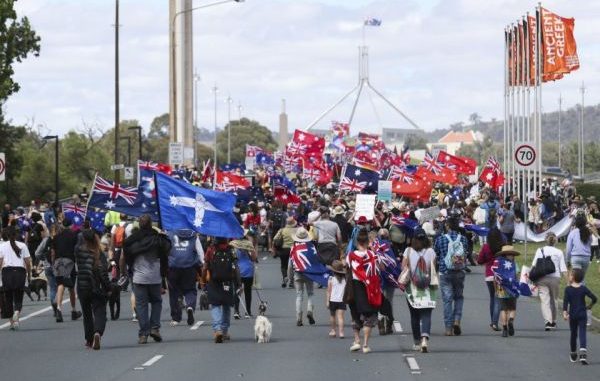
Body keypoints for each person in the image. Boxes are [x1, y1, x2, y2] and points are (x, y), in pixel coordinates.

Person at [122, 214, 171, 344]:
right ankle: (155, 328)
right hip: (155, 277)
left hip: (139, 277)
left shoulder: (133, 240)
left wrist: (128, 270)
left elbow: (126, 254)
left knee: (141, 305)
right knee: (156, 302)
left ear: (139, 224)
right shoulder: (157, 240)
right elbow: (167, 251)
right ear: (150, 225)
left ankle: (143, 334)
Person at [401, 228, 437, 353]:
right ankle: (424, 339)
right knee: (427, 314)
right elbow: (434, 268)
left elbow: (404, 267)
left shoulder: (408, 250)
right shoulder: (431, 251)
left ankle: (416, 341)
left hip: (412, 286)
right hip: (428, 286)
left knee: (414, 315)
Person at [433, 212, 468, 336]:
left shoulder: (441, 239)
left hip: (445, 271)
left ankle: (448, 328)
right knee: (458, 297)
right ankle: (457, 320)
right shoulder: (463, 239)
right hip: (459, 271)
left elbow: (436, 253)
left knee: (447, 300)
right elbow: (466, 253)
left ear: (447, 226)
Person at [347, 229, 382, 354]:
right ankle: (366, 344)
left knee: (355, 315)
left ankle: (356, 341)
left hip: (355, 288)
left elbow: (348, 269)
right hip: (370, 288)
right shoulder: (373, 255)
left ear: (357, 242)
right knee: (369, 316)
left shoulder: (351, 256)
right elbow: (380, 268)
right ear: (368, 242)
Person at [75, 229, 110, 349]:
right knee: (100, 311)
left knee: (87, 314)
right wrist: (108, 287)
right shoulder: (99, 253)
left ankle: (89, 340)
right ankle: (97, 332)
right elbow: (103, 272)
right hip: (96, 286)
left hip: (82, 285)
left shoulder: (78, 251)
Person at [202, 237, 241, 343]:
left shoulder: (211, 249)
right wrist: (239, 283)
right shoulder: (231, 249)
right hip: (227, 282)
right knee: (226, 306)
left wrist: (203, 281)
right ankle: (224, 331)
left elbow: (205, 266)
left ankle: (217, 329)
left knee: (215, 305)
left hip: (214, 282)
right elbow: (236, 267)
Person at [531, 232, 567, 331]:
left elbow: (534, 265)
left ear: (546, 240)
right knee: (554, 300)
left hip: (542, 278)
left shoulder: (540, 250)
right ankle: (553, 321)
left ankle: (547, 321)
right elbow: (563, 269)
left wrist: (530, 277)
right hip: (555, 278)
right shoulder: (559, 252)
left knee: (544, 300)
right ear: (555, 241)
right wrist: (568, 282)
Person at [166, 229, 203, 326]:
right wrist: (203, 265)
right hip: (189, 266)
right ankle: (190, 306)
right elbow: (200, 252)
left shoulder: (169, 233)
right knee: (190, 289)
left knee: (174, 292)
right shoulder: (194, 235)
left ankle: (176, 318)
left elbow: (165, 250)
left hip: (173, 266)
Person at [0, 226, 32, 330]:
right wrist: (29, 274)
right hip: (20, 272)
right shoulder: (22, 245)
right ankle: (17, 313)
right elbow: (28, 262)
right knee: (18, 296)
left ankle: (11, 323)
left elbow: (0, 262)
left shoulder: (2, 246)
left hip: (7, 272)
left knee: (8, 298)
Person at [563, 268, 597, 365]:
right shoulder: (583, 288)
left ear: (573, 278)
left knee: (573, 334)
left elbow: (565, 302)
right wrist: (589, 306)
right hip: (582, 313)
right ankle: (583, 354)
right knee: (582, 333)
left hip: (573, 314)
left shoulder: (568, 289)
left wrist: (565, 312)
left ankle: (573, 353)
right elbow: (594, 298)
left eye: (570, 275)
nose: (569, 276)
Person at [51, 218, 82, 323]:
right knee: (71, 286)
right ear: (71, 225)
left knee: (60, 284)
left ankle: (59, 309)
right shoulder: (74, 236)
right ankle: (73, 310)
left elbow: (53, 252)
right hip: (69, 261)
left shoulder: (56, 237)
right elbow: (77, 250)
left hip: (58, 261)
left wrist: (53, 263)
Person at [476, 227, 504, 331]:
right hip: (500, 274)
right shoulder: (502, 246)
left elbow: (479, 261)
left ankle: (493, 321)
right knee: (498, 298)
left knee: (492, 298)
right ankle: (495, 323)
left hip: (489, 275)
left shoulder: (486, 247)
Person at [492, 245, 520, 338]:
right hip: (512, 288)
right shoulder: (514, 264)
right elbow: (517, 276)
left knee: (503, 309)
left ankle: (504, 329)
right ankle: (511, 320)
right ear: (512, 255)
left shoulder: (499, 264)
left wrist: (496, 289)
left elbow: (495, 278)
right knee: (512, 308)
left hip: (501, 289)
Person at [290, 227, 316, 327]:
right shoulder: (312, 247)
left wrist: (290, 277)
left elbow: (290, 264)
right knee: (310, 294)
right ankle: (309, 310)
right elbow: (315, 261)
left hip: (298, 273)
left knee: (299, 295)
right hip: (309, 273)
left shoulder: (294, 248)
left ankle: (299, 318)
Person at [231, 234, 257, 319]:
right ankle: (248, 312)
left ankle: (236, 311)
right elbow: (253, 258)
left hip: (237, 270)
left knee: (237, 290)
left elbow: (232, 258)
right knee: (248, 291)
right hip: (248, 270)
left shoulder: (233, 244)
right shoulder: (249, 244)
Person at [271, 216, 297, 288]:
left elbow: (275, 238)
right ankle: (292, 282)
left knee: (283, 265)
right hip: (295, 249)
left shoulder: (282, 230)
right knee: (294, 266)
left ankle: (285, 277)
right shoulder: (297, 230)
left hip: (284, 249)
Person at [326, 260, 347, 339]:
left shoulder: (331, 279)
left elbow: (329, 291)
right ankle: (341, 332)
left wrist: (327, 301)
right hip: (342, 300)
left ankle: (333, 330)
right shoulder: (345, 279)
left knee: (332, 316)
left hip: (333, 300)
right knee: (340, 317)